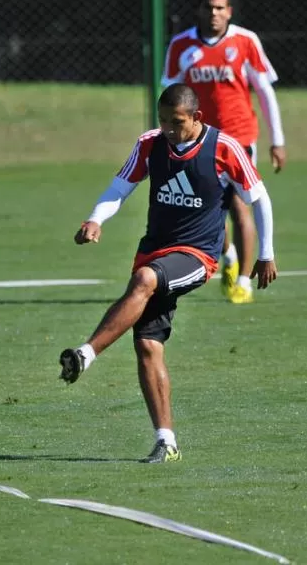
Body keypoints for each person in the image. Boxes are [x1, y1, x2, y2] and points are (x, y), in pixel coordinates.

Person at [58, 83, 277, 463]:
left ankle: (86, 353)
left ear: (197, 118)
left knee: (145, 280)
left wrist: (265, 254)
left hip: (198, 256)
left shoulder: (225, 148)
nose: (169, 130)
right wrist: (96, 219)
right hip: (155, 249)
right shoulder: (151, 143)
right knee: (147, 345)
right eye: (162, 122)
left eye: (176, 122)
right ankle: (166, 441)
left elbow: (259, 198)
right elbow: (120, 187)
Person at [161, 0, 285, 304]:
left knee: (241, 204)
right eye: (208, 7)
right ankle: (227, 256)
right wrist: (168, 137)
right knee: (206, 208)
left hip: (239, 138)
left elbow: (265, 92)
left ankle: (243, 281)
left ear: (229, 11)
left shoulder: (245, 41)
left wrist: (278, 140)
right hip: (199, 140)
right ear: (198, 10)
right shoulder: (181, 46)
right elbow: (171, 97)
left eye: (220, 8)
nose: (214, 13)